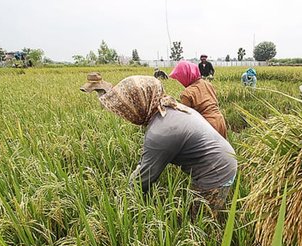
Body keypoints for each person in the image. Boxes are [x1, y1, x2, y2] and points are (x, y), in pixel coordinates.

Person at [80, 73, 237, 213]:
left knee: (199, 221)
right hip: (224, 159)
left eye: (127, 109)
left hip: (217, 172)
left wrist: (120, 204)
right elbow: (146, 162)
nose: (126, 115)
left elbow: (144, 179)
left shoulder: (160, 131)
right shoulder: (171, 108)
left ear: (139, 104)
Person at [170, 60, 228, 138]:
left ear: (185, 76)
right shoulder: (208, 84)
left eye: (180, 78)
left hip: (207, 126)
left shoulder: (187, 93)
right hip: (220, 121)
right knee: (222, 149)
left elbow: (186, 117)